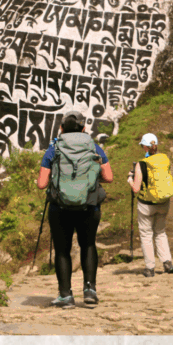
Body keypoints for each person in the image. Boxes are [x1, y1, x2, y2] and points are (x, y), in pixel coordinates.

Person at [37, 110, 113, 308]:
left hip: (60, 207)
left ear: (61, 128)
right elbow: (109, 177)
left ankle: (65, 295)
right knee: (88, 244)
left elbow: (42, 183)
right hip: (89, 205)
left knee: (62, 250)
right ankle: (89, 290)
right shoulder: (94, 147)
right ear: (83, 128)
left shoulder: (54, 148)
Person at [127, 133, 173, 278]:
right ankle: (167, 262)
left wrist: (130, 178)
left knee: (146, 234)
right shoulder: (165, 159)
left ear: (145, 147)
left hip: (146, 205)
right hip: (163, 202)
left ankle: (150, 268)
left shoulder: (142, 164)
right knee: (160, 232)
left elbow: (136, 188)